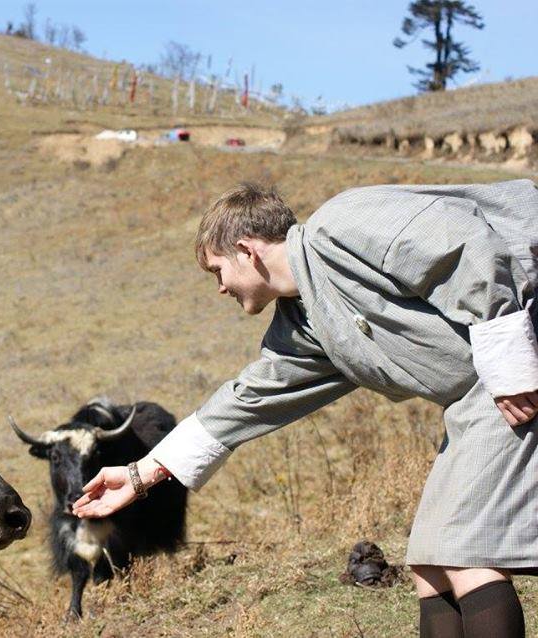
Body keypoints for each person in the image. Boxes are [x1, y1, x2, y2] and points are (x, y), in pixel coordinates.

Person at [72, 180, 538, 637]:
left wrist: (511, 361)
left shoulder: (343, 224)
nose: (219, 288)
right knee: (430, 563)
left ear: (246, 250)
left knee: (465, 554)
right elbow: (246, 401)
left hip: (513, 375)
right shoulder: (305, 325)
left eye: (217, 271)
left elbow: (458, 241)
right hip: (479, 399)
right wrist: (139, 475)